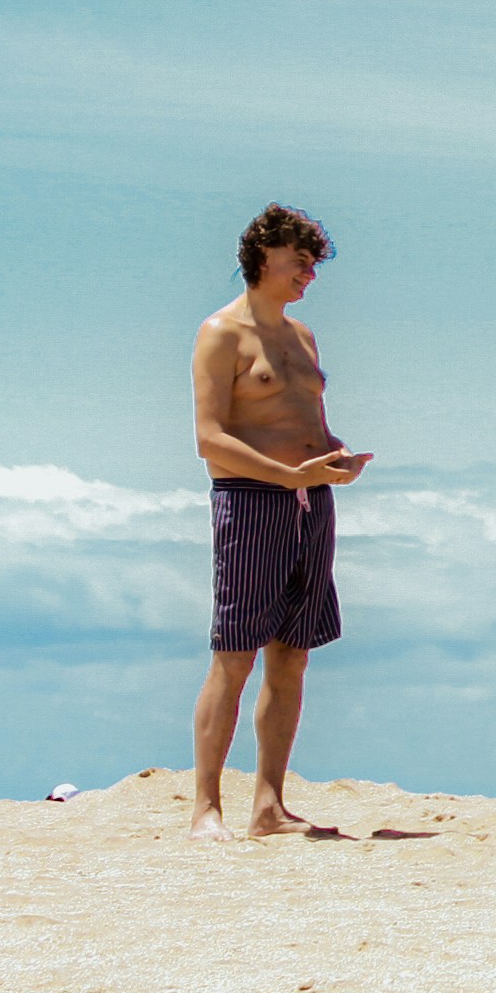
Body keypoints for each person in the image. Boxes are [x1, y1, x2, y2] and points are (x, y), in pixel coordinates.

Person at [188, 204, 372, 841]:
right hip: (250, 501)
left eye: (314, 265)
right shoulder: (221, 333)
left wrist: (334, 457)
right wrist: (287, 475)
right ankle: (205, 808)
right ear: (264, 256)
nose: (309, 275)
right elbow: (210, 439)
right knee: (234, 655)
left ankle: (269, 805)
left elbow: (308, 424)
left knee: (291, 655)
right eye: (301, 262)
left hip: (312, 502)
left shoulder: (303, 337)